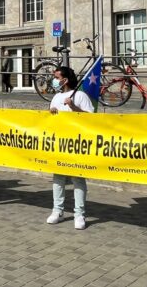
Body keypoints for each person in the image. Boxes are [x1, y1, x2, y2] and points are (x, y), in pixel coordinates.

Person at [46, 66, 94, 230]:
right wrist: (50, 113)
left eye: (56, 77)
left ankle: (79, 213)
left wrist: (73, 107)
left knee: (77, 178)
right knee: (58, 178)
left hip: (76, 144)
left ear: (65, 80)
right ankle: (57, 210)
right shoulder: (56, 97)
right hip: (59, 143)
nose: (54, 80)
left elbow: (91, 119)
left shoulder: (80, 95)